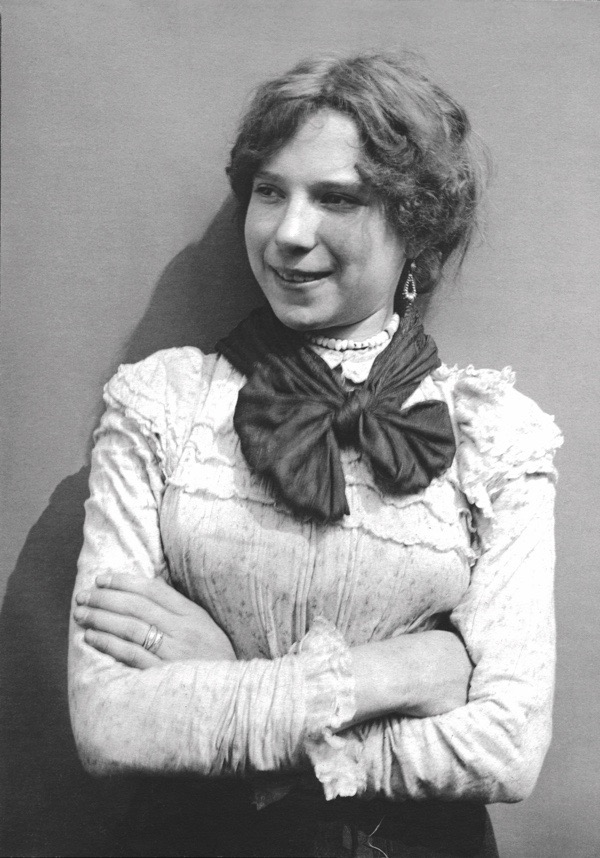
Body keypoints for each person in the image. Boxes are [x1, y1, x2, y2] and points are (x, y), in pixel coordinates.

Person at [68, 52, 562, 857]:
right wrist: (411, 672)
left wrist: (228, 685)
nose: (288, 234)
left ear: (416, 225)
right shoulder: (162, 405)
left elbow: (505, 750)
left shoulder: (494, 436)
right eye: (270, 191)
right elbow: (110, 723)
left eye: (337, 197)